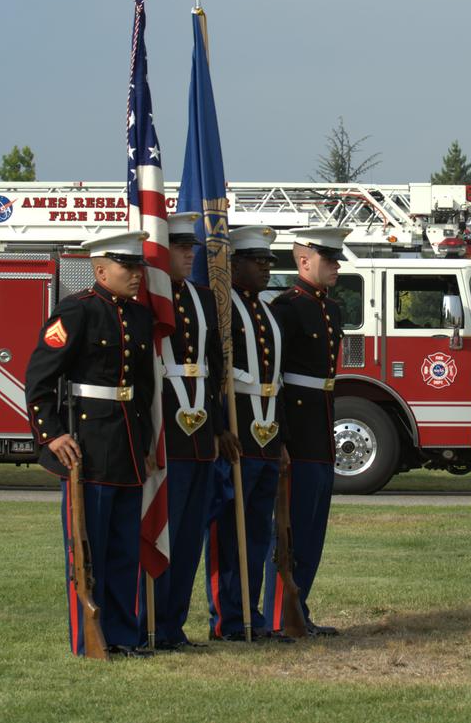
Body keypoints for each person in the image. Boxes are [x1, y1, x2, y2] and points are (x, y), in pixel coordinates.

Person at [23, 229, 156, 659]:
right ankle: (89, 639)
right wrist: (52, 434)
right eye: (127, 266)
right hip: (89, 447)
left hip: (128, 446)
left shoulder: (139, 317)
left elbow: (144, 387)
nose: (137, 274)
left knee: (122, 552)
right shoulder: (76, 311)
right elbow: (39, 379)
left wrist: (148, 442)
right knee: (88, 550)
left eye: (139, 266)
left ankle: (123, 636)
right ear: (100, 270)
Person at [136, 212, 238, 650]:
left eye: (191, 247)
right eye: (180, 247)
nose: (188, 254)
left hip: (197, 434)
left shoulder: (200, 297)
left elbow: (213, 369)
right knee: (163, 529)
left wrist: (217, 427)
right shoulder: (147, 299)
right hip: (166, 430)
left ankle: (173, 625)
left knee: (190, 535)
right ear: (160, 252)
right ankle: (149, 623)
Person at [264, 226, 350, 637]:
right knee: (290, 529)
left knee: (313, 529)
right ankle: (279, 615)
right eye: (328, 259)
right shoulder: (286, 307)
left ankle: (300, 612)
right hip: (296, 430)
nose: (336, 265)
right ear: (303, 261)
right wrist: (279, 435)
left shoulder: (331, 309)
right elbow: (274, 377)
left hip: (320, 426)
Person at [204, 225, 288, 643]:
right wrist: (219, 426)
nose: (266, 269)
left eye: (268, 262)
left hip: (267, 433)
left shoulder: (265, 310)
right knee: (228, 531)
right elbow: (216, 375)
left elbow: (275, 378)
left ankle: (248, 614)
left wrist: (281, 441)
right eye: (258, 262)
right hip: (237, 428)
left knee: (256, 532)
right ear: (233, 265)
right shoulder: (222, 310)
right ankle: (226, 620)